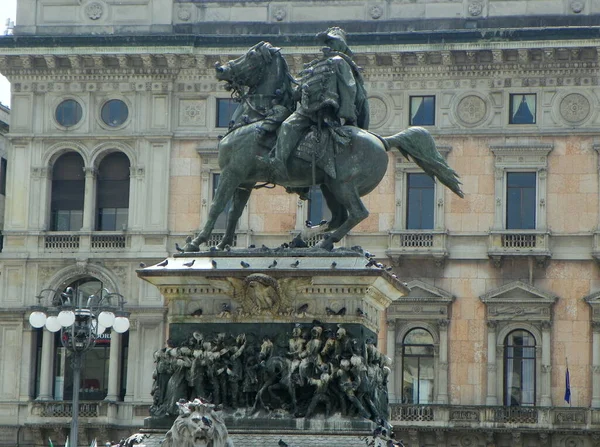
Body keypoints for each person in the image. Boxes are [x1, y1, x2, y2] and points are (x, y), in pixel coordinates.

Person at [263, 26, 369, 179]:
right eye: (327, 42)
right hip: (310, 109)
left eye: (331, 42)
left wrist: (348, 116)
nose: (328, 45)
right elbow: (303, 88)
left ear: (340, 45)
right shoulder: (317, 65)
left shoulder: (339, 63)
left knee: (287, 126)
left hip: (320, 112)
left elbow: (349, 89)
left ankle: (278, 165)